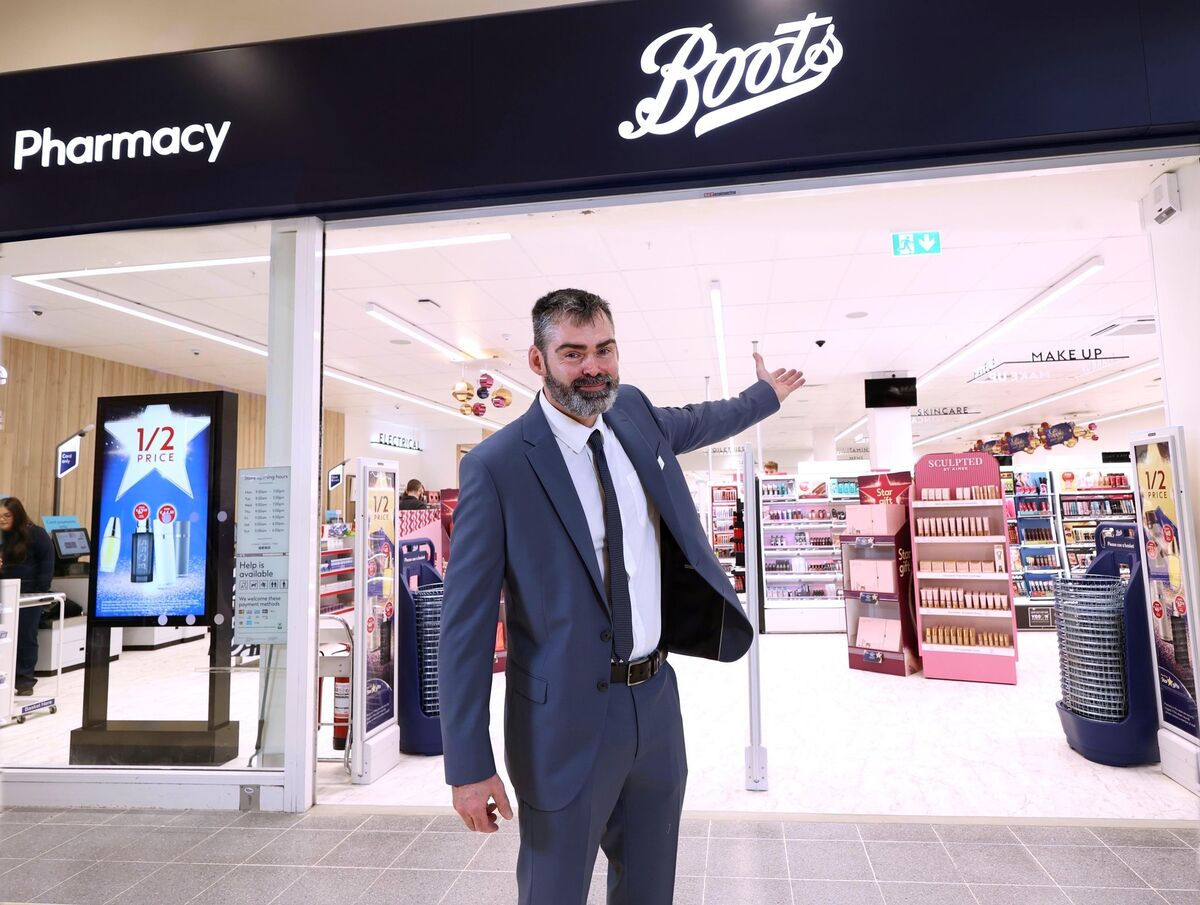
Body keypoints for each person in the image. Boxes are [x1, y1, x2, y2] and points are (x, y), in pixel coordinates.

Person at [439, 288, 804, 905]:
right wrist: (468, 766)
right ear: (537, 361)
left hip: (655, 705)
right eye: (574, 353)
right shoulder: (498, 467)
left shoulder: (632, 414)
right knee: (554, 891)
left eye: (605, 349)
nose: (594, 367)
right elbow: (465, 629)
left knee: (650, 888)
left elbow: (700, 419)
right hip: (562, 723)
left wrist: (764, 396)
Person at [0, 497, 54, 696]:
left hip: (29, 596)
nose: (3, 520)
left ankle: (24, 682)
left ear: (18, 515)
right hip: (5, 593)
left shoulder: (36, 534)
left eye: (7, 515)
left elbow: (46, 564)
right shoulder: (4, 538)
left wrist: (41, 592)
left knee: (25, 637)